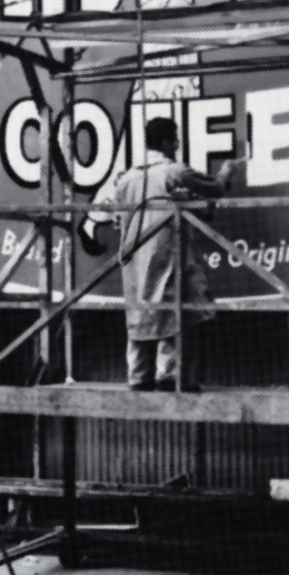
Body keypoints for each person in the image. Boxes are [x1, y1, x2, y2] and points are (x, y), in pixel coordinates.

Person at [114, 116, 242, 391]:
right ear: (165, 142)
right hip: (164, 252)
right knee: (171, 310)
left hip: (134, 256)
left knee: (139, 313)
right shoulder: (174, 172)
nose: (178, 144)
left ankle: (137, 377)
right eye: (175, 139)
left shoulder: (126, 179)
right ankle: (168, 376)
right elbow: (214, 188)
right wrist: (226, 173)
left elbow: (117, 219)